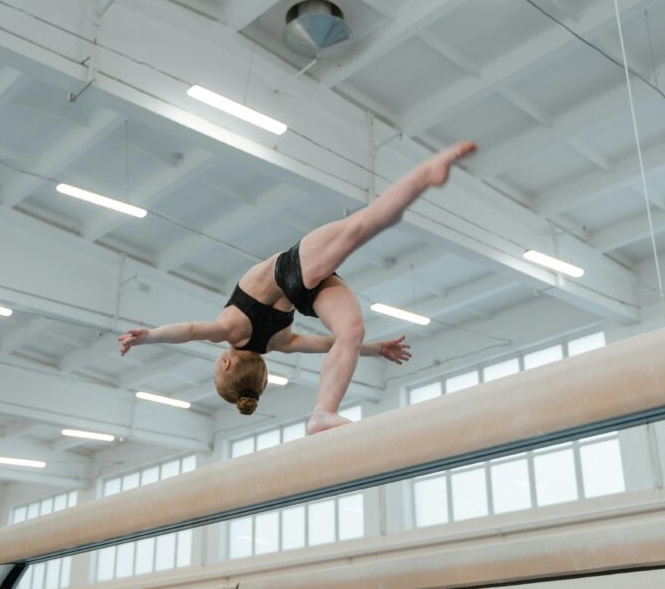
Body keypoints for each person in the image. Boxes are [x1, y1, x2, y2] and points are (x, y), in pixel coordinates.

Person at [119, 141, 477, 434]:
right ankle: (424, 175)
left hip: (304, 290)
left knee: (350, 330)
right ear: (226, 363)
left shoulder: (277, 343)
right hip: (292, 272)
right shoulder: (235, 331)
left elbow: (326, 345)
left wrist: (374, 349)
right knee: (360, 228)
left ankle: (324, 412)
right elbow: (192, 331)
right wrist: (147, 336)